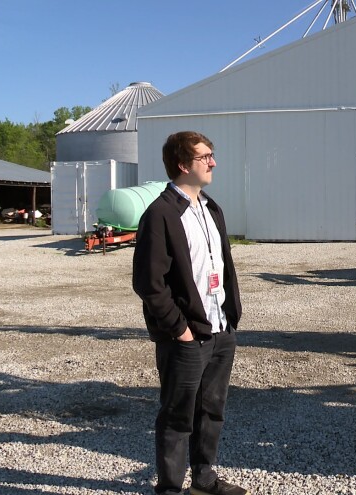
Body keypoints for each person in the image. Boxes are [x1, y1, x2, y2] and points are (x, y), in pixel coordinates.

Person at [132, 131, 247, 495]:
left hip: (220, 330)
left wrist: (230, 317)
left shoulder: (212, 209)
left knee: (211, 410)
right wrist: (179, 329)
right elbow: (149, 283)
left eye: (212, 155)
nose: (213, 162)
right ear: (183, 165)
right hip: (186, 337)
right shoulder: (160, 214)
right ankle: (169, 488)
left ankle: (204, 479)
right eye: (205, 157)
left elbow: (220, 267)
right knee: (177, 415)